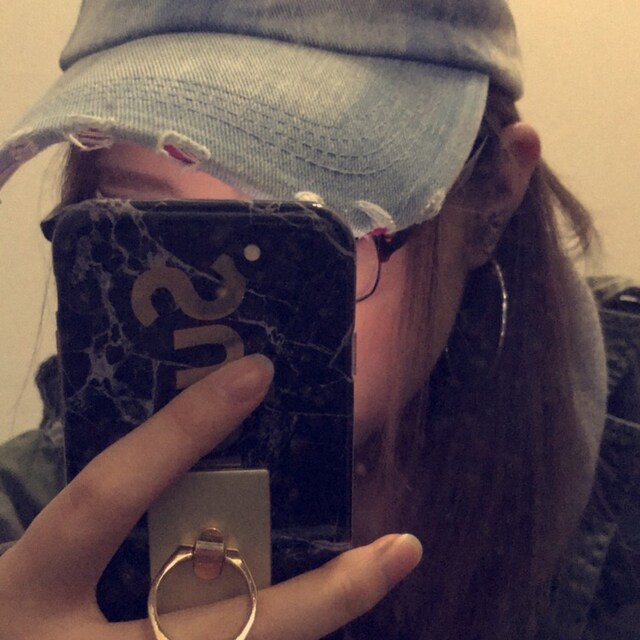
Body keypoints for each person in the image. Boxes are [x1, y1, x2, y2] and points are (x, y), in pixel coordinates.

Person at [0, 1, 638, 638]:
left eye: (312, 231)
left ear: (492, 200)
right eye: (150, 220)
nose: (226, 320)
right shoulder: (21, 532)